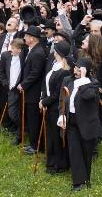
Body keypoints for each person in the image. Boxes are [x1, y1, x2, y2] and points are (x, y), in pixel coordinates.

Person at [58, 57, 102, 191]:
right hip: (71, 121)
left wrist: (83, 78)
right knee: (74, 150)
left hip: (87, 123)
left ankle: (86, 177)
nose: (75, 70)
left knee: (86, 152)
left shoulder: (93, 84)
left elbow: (88, 95)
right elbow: (62, 100)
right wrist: (62, 115)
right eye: (75, 68)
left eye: (79, 69)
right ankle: (79, 182)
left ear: (86, 71)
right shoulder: (67, 80)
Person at [39, 39, 72, 174]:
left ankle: (59, 164)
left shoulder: (64, 71)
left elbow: (57, 94)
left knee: (56, 137)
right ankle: (51, 161)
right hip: (48, 105)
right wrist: (42, 98)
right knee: (50, 135)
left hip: (55, 108)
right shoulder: (55, 65)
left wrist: (44, 102)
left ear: (58, 53)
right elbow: (46, 84)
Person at [17, 25, 47, 154]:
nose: (24, 38)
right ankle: (34, 143)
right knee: (31, 118)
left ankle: (35, 146)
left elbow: (35, 73)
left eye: (26, 36)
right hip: (30, 91)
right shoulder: (32, 49)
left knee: (34, 119)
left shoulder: (38, 53)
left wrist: (23, 84)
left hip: (33, 93)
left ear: (32, 38)